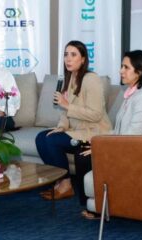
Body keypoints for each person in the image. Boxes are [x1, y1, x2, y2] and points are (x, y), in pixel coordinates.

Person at [79, 49, 142, 219]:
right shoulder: (131, 94)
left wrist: (101, 148)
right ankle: (98, 205)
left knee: (85, 156)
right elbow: (119, 131)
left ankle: (99, 208)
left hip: (135, 154)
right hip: (123, 147)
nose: (121, 71)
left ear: (140, 71)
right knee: (82, 149)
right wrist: (96, 140)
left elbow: (131, 138)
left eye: (126, 67)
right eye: (121, 66)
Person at [35, 40, 112, 200]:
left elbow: (96, 114)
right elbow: (65, 111)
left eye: (73, 55)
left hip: (93, 132)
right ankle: (63, 181)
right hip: (76, 132)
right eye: (66, 55)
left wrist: (67, 105)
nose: (68, 59)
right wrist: (62, 127)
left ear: (83, 59)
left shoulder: (91, 79)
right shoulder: (69, 78)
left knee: (51, 141)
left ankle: (65, 185)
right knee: (42, 138)